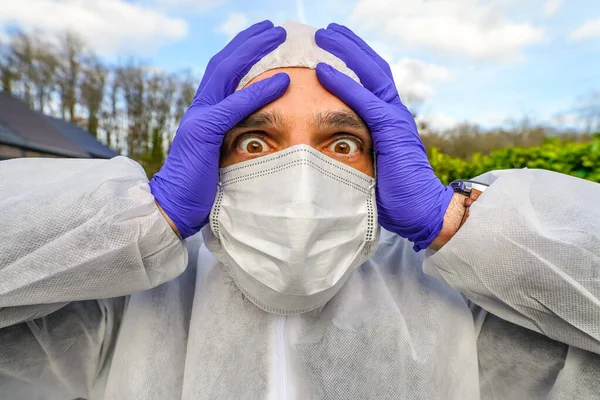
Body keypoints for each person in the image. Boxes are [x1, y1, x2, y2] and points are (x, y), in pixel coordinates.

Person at [0, 20, 599, 400]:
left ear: (382, 161)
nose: (301, 179)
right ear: (212, 158)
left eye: (342, 144)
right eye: (255, 142)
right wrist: (135, 224)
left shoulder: (459, 299)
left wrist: (456, 223)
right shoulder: (129, 295)